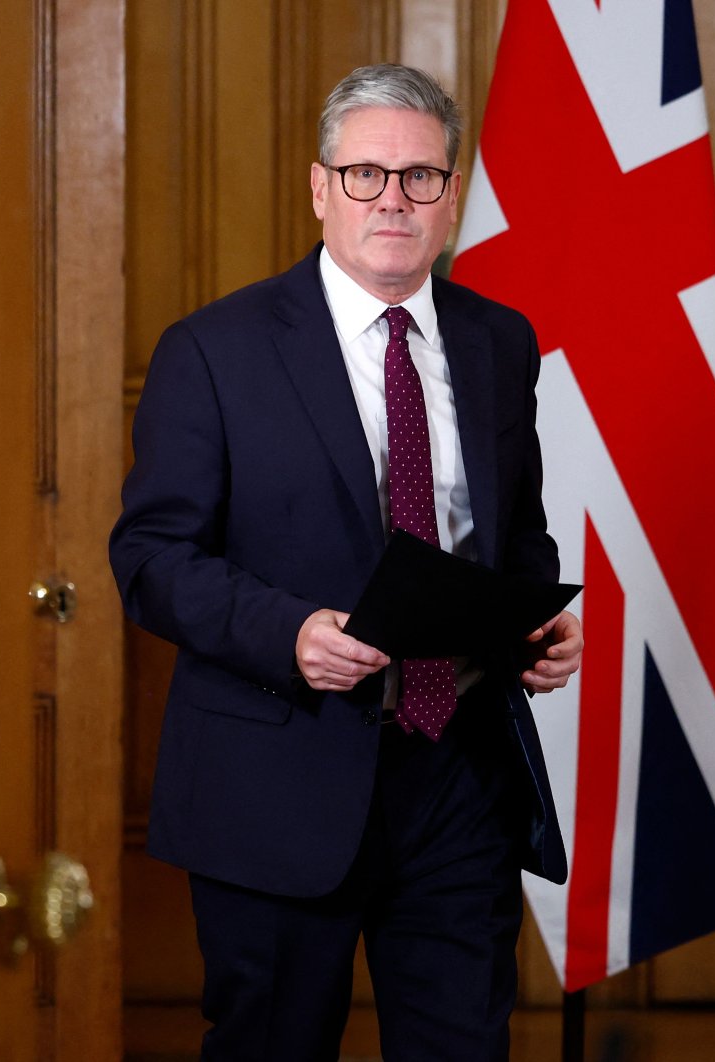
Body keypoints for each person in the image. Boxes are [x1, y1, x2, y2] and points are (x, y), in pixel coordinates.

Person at [109, 63, 584, 1062]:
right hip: (275, 775)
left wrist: (533, 625)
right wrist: (288, 634)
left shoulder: (500, 341)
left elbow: (516, 534)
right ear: (320, 188)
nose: (393, 201)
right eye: (366, 175)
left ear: (451, 197)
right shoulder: (213, 350)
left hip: (457, 775)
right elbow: (150, 556)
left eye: (419, 178)